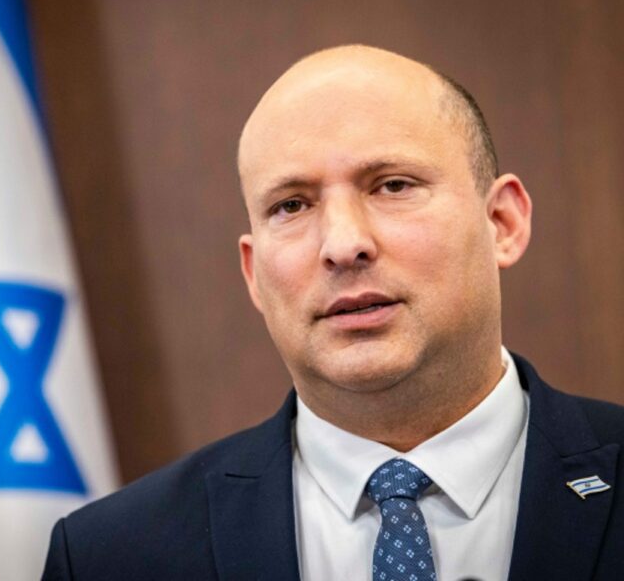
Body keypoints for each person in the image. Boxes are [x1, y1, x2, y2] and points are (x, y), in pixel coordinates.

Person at [42, 46, 624, 581]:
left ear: (503, 223)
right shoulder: (110, 556)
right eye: (291, 205)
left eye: (392, 185)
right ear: (254, 274)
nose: (344, 244)